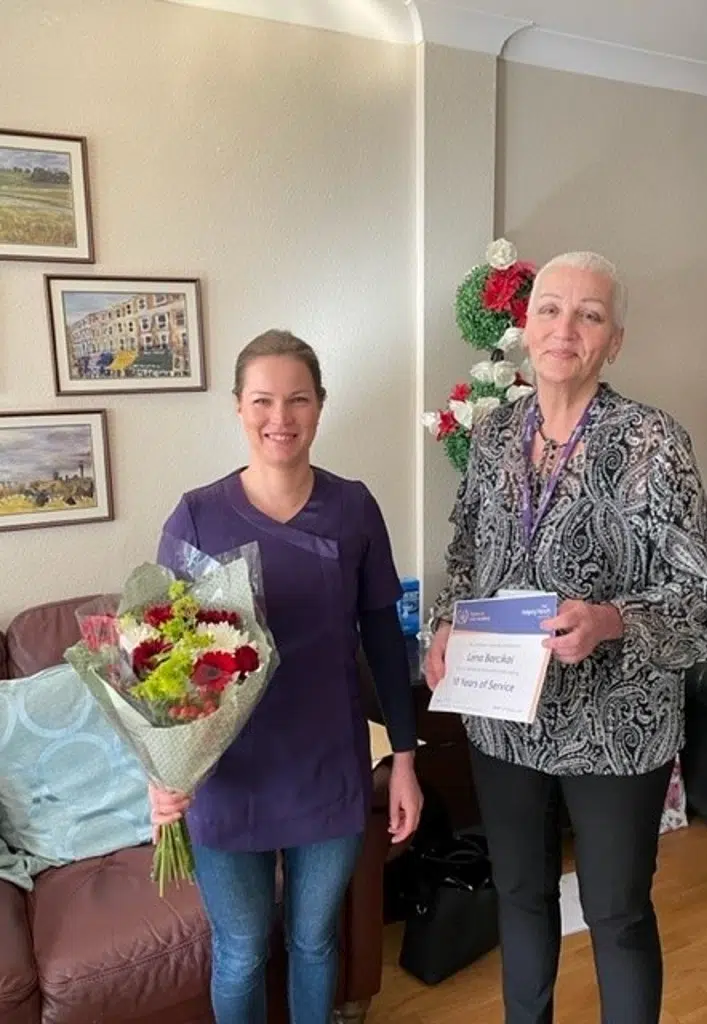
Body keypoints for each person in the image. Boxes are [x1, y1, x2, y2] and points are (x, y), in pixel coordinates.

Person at [424, 252, 707, 1024]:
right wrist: (441, 626)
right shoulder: (496, 436)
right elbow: (465, 556)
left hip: (616, 727)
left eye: (588, 315)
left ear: (615, 341)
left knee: (617, 912)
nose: (564, 328)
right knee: (521, 896)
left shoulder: (651, 443)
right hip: (502, 714)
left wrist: (612, 620)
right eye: (549, 310)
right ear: (525, 326)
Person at [150, 329, 423, 1024]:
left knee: (313, 940)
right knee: (240, 950)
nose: (281, 418)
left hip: (328, 765)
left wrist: (407, 759)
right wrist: (162, 774)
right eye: (263, 400)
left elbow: (386, 643)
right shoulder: (197, 516)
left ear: (320, 407)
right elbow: (160, 660)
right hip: (228, 774)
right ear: (238, 408)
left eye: (298, 399)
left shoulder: (354, 506)